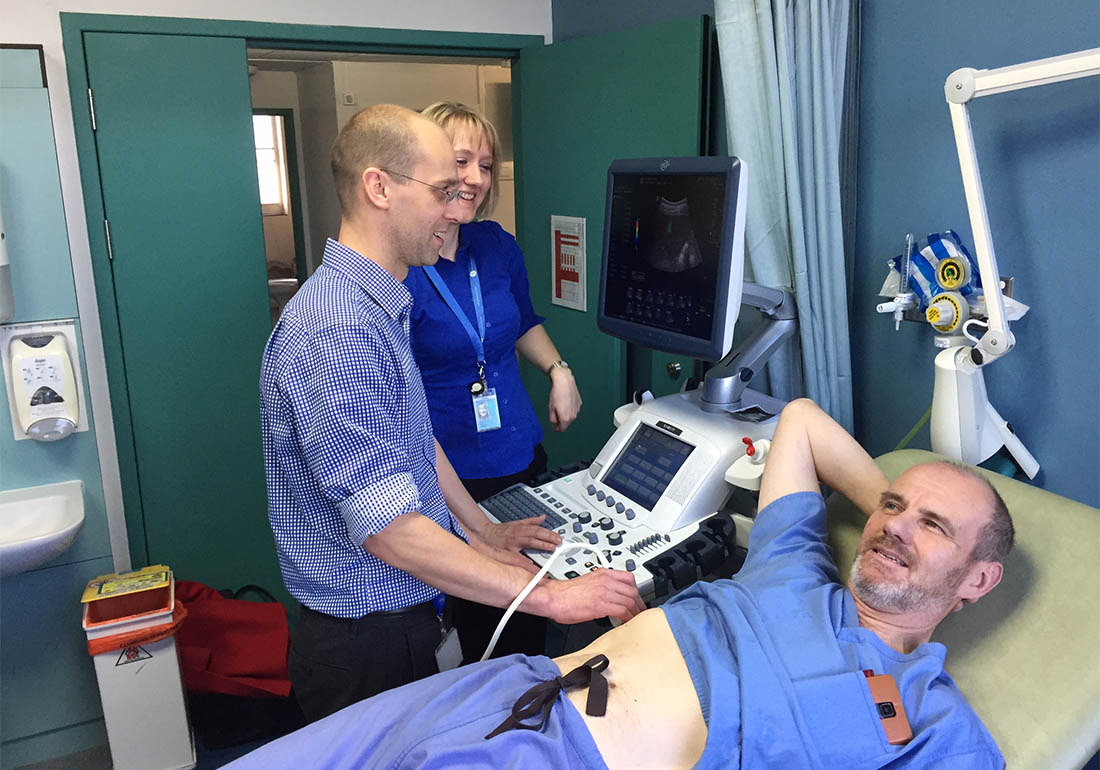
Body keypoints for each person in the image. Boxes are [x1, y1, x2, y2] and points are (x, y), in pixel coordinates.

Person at [236, 397, 1010, 768]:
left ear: (978, 580)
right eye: (893, 508)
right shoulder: (795, 564)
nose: (895, 525)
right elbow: (801, 421)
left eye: (933, 527)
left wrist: (907, 531)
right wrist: (899, 519)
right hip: (510, 689)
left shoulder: (930, 715)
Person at [258, 104, 644, 724]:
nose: (456, 204)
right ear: (378, 187)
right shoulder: (336, 330)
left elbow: (413, 442)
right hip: (368, 640)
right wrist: (547, 597)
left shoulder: (377, 305)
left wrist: (484, 532)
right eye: (442, 188)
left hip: (411, 616)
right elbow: (390, 530)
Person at [404, 101, 584, 661]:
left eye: (487, 164)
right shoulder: (400, 262)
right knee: (476, 623)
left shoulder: (496, 244)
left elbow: (522, 320)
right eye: (461, 162)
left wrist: (559, 371)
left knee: (527, 613)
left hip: (517, 454)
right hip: (446, 471)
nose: (476, 179)